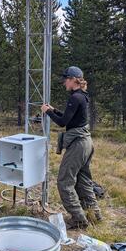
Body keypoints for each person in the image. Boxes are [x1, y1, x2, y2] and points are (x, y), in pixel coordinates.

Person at [41, 66, 101, 229]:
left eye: (66, 79)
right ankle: (94, 214)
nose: (64, 83)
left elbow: (62, 122)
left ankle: (79, 219)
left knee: (64, 182)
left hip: (78, 145)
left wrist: (47, 112)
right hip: (86, 142)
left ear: (74, 80)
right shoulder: (82, 96)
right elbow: (70, 117)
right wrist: (54, 110)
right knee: (83, 181)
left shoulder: (75, 97)